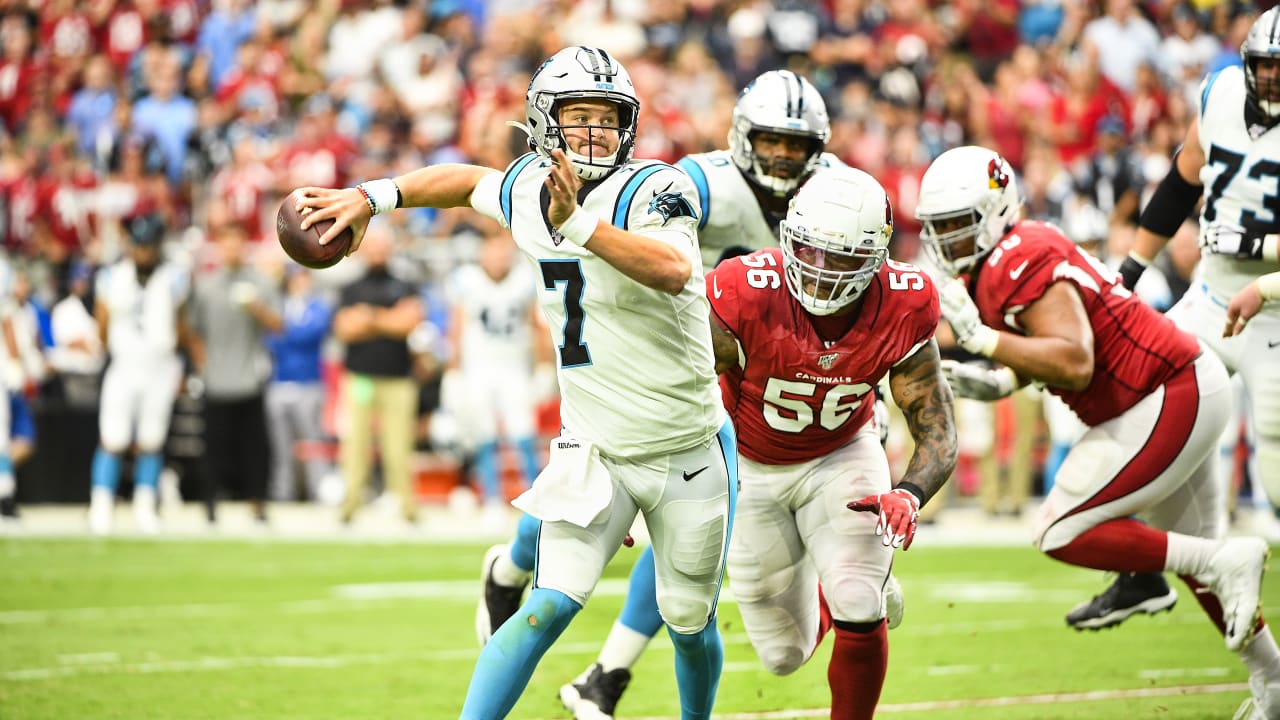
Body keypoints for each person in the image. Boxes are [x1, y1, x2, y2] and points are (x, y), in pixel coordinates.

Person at [296, 46, 737, 720]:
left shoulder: (657, 187)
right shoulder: (529, 187)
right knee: (545, 610)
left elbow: (675, 269)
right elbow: (467, 181)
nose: (594, 132)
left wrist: (582, 226)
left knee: (688, 622)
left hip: (685, 446)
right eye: (578, 115)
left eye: (607, 117)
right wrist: (371, 197)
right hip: (597, 449)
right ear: (543, 122)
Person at [547, 73, 925, 720]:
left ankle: (609, 672)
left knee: (705, 525)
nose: (781, 155)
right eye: (770, 140)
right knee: (696, 537)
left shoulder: (835, 190)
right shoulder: (700, 181)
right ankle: (594, 658)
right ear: (743, 137)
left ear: (819, 148)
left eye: (795, 143)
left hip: (817, 373)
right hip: (712, 367)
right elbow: (644, 215)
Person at [918, 144, 1280, 717]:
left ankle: (1210, 565)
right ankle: (1276, 688)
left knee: (1059, 528)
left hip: (1164, 394)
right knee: (1200, 567)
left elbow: (1077, 360)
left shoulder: (1014, 260)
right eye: (937, 229)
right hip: (1173, 389)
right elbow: (1064, 342)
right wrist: (1006, 379)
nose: (945, 243)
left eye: (957, 227)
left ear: (994, 211)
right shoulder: (1018, 249)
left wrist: (987, 344)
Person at [1101, 8, 1280, 637]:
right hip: (1210, 297)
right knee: (1140, 395)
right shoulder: (1222, 92)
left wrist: (1259, 252)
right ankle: (1147, 565)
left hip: (1277, 314)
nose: (1275, 80)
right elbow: (1181, 182)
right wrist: (1127, 270)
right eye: (1267, 66)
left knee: (1278, 480)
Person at [441, 230, 552, 527]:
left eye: (503, 251)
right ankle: (491, 497)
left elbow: (537, 324)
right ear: (482, 253)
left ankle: (535, 498)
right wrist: (453, 371)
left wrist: (543, 367)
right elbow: (456, 327)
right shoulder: (467, 280)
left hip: (514, 367)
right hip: (478, 367)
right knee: (484, 434)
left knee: (523, 433)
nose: (498, 257)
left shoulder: (524, 280)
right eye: (492, 250)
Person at [88, 213, 189, 535]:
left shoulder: (174, 277)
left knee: (151, 439)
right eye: (139, 246)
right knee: (113, 438)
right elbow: (101, 323)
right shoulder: (110, 276)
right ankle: (101, 505)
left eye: (148, 246)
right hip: (124, 364)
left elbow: (180, 323)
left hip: (159, 366)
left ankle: (145, 505)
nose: (143, 252)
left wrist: (181, 363)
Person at [186, 222, 281, 526]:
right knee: (214, 449)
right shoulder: (206, 286)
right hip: (216, 381)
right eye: (227, 244)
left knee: (255, 449)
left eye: (238, 243)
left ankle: (257, 503)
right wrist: (203, 365)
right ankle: (211, 504)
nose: (233, 250)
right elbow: (193, 331)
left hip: (250, 380)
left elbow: (279, 325)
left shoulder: (261, 283)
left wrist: (256, 308)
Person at [331, 221, 423, 526]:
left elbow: (409, 321)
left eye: (383, 245)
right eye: (373, 246)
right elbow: (344, 328)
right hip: (360, 378)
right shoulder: (350, 287)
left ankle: (407, 507)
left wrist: (369, 318)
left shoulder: (404, 283)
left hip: (398, 378)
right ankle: (350, 505)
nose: (378, 252)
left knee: (398, 448)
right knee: (354, 446)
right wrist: (388, 320)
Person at [264, 264, 333, 502]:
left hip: (309, 383)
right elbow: (271, 342)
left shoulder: (318, 307)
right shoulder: (279, 306)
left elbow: (309, 335)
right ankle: (283, 494)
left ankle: (319, 492)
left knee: (314, 443)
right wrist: (285, 332)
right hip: (280, 381)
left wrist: (283, 331)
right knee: (281, 448)